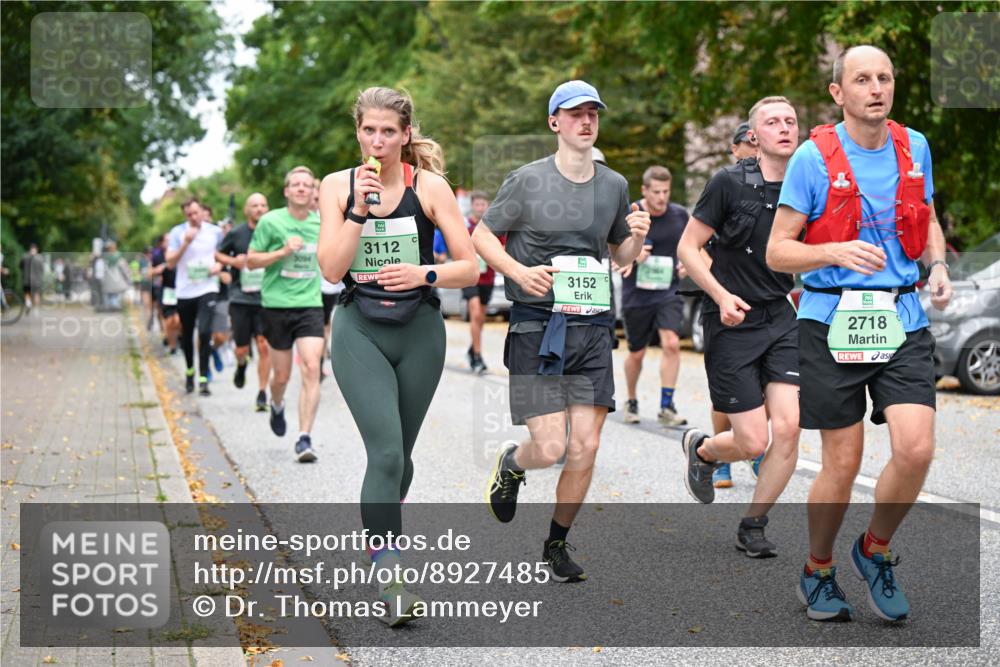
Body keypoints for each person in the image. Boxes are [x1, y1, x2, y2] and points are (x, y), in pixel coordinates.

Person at [767, 45, 952, 622]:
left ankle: (874, 549)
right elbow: (778, 250)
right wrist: (831, 249)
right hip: (830, 320)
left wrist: (939, 265)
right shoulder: (810, 159)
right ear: (837, 93)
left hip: (901, 317)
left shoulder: (913, 145)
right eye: (862, 79)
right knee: (842, 463)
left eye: (885, 78)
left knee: (916, 448)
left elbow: (928, 217)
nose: (876, 88)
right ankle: (818, 568)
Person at [473, 80, 649, 583]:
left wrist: (634, 240)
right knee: (549, 449)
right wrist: (517, 272)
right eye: (575, 114)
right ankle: (513, 462)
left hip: (592, 326)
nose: (586, 121)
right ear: (555, 122)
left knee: (586, 447)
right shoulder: (526, 181)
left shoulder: (613, 185)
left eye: (593, 113)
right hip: (536, 326)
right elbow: (483, 235)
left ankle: (556, 544)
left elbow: (618, 257)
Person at [318, 86, 477, 625]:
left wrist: (422, 273)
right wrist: (358, 212)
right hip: (359, 326)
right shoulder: (337, 186)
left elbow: (470, 266)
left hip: (420, 331)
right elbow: (332, 269)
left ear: (406, 135)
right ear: (358, 132)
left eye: (390, 131)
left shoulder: (429, 187)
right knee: (385, 454)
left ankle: (382, 524)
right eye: (369, 130)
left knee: (401, 458)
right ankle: (390, 575)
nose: (379, 141)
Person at [677, 96, 802, 560]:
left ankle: (753, 523)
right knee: (753, 440)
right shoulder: (728, 182)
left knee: (787, 428)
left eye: (791, 121)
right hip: (730, 319)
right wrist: (719, 294)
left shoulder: (808, 183)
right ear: (754, 134)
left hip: (781, 317)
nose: (784, 128)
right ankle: (704, 451)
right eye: (773, 122)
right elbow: (689, 248)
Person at [248, 166, 326, 463]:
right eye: (296, 184)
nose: (302, 189)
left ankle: (304, 438)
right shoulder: (270, 221)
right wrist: (281, 252)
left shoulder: (322, 224)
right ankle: (277, 404)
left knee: (311, 367)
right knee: (281, 376)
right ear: (287, 191)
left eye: (307, 185)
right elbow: (251, 261)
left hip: (310, 304)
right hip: (277, 306)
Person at [616, 165, 689, 427]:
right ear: (645, 190)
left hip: (668, 291)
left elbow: (692, 246)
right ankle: (632, 399)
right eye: (656, 192)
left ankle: (666, 405)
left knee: (671, 343)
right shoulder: (632, 213)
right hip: (637, 294)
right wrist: (634, 254)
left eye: (666, 191)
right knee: (637, 353)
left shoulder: (680, 216)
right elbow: (614, 249)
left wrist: (687, 264)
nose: (662, 197)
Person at [715, 120, 763, 488]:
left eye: (757, 144)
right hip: (724, 294)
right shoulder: (725, 183)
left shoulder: (781, 184)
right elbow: (697, 238)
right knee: (727, 390)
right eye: (746, 144)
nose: (753, 150)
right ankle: (720, 460)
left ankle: (757, 447)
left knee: (767, 383)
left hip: (766, 296)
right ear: (735, 149)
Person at [217, 193, 273, 411]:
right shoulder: (236, 233)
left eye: (262, 204)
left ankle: (261, 393)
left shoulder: (273, 229)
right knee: (241, 349)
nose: (259, 208)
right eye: (254, 205)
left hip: (266, 297)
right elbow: (218, 255)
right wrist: (235, 262)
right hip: (240, 298)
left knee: (264, 345)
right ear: (247, 210)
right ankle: (241, 365)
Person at [166, 198, 225, 395]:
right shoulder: (177, 232)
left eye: (196, 213)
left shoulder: (214, 231)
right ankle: (190, 370)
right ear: (185, 215)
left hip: (207, 288)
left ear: (202, 211)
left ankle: (203, 377)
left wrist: (219, 266)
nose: (193, 217)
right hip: (184, 290)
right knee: (187, 332)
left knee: (205, 331)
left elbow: (222, 254)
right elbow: (170, 262)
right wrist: (186, 242)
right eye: (189, 214)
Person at [311, 176, 344, 381]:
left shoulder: (335, 214)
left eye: (318, 197)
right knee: (320, 325)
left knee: (329, 324)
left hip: (337, 283)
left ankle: (323, 358)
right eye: (314, 199)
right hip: (316, 283)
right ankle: (318, 362)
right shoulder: (308, 220)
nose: (315, 201)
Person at [151, 233, 180, 353]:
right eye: (166, 240)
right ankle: (172, 346)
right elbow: (150, 273)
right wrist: (160, 269)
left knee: (178, 320)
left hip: (181, 291)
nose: (169, 242)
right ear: (162, 243)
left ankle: (178, 337)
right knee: (169, 320)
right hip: (167, 291)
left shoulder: (180, 253)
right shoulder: (158, 256)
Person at [100, 240, 131, 311]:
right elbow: (125, 271)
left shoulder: (103, 259)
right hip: (118, 282)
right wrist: (128, 279)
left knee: (110, 296)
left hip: (107, 282)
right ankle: (115, 306)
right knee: (116, 296)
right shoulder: (120, 258)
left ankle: (111, 306)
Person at [21, 244, 44, 312]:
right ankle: (36, 309)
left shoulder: (25, 257)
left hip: (27, 279)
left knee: (27, 292)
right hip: (37, 280)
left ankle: (28, 303)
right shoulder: (40, 258)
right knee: (37, 294)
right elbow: (42, 269)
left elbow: (21, 266)